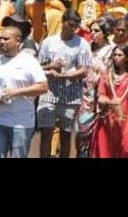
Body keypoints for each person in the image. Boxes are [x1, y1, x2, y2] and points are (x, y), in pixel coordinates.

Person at [0, 24, 48, 158]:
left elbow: (43, 87)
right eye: (1, 39)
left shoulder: (29, 62)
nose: (2, 42)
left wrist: (15, 92)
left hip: (21, 123)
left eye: (6, 39)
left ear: (18, 41)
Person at [37, 9, 92, 158]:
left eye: (75, 26)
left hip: (71, 97)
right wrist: (52, 67)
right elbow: (38, 66)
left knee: (65, 134)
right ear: (63, 22)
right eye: (70, 24)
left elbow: (84, 70)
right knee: (46, 132)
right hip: (48, 93)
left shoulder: (82, 44)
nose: (72, 28)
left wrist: (64, 76)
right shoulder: (49, 42)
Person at [90, 44, 128, 158]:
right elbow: (100, 97)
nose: (116, 57)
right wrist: (110, 102)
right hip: (107, 122)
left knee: (125, 150)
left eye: (120, 55)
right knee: (105, 151)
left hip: (126, 123)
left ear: (127, 58)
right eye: (114, 55)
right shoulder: (106, 75)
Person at [76, 17, 115, 158]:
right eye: (91, 30)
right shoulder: (86, 47)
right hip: (84, 95)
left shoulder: (111, 51)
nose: (92, 33)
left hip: (102, 96)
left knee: (100, 133)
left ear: (105, 32)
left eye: (97, 30)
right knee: (82, 131)